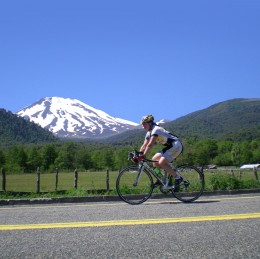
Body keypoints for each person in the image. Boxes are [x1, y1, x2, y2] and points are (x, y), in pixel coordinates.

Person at [139, 115, 183, 188]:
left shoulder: (156, 129)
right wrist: (139, 154)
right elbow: (144, 145)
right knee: (154, 160)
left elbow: (150, 145)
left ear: (150, 123)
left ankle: (178, 178)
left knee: (162, 162)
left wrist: (144, 155)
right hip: (170, 146)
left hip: (176, 145)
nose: (143, 126)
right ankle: (161, 180)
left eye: (144, 124)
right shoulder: (149, 133)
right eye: (142, 125)